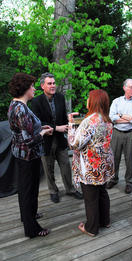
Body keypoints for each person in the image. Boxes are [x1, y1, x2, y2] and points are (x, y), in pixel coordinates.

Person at [8, 72, 53, 238]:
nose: (34, 88)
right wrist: (43, 133)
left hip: (23, 154)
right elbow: (29, 141)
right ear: (25, 88)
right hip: (28, 155)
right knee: (29, 190)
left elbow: (25, 132)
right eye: (32, 86)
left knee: (27, 189)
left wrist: (41, 128)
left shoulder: (18, 105)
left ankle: (28, 215)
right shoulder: (20, 109)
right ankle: (32, 229)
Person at [68, 89, 114, 236]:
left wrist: (71, 125)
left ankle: (91, 228)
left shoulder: (90, 121)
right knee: (102, 192)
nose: (87, 100)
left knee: (91, 197)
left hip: (90, 166)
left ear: (93, 101)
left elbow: (74, 144)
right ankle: (105, 220)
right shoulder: (107, 119)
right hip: (103, 164)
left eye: (89, 98)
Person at [31, 72, 82, 203]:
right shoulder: (36, 101)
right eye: (49, 83)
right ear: (43, 86)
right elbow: (38, 123)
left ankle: (70, 189)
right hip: (45, 140)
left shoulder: (60, 97)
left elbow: (64, 117)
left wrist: (69, 123)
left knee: (65, 165)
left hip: (60, 139)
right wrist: (56, 128)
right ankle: (53, 191)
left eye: (54, 83)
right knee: (48, 168)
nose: (53, 85)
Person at [106, 79, 132, 194]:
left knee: (130, 159)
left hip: (131, 133)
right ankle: (113, 178)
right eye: (131, 87)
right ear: (124, 88)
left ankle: (129, 182)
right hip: (116, 133)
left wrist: (120, 116)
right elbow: (112, 117)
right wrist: (128, 118)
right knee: (114, 157)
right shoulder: (116, 101)